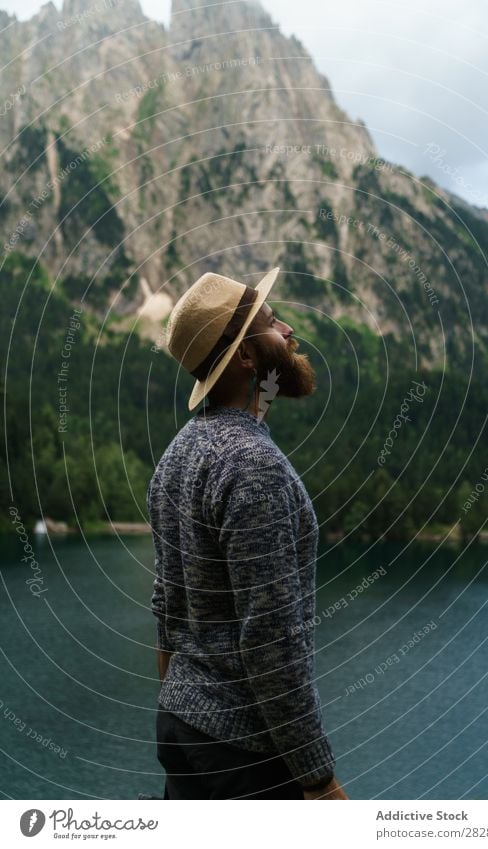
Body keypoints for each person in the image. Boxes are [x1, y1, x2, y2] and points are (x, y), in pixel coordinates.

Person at [147, 267, 348, 800]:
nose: (289, 331)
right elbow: (270, 642)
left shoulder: (176, 456)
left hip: (184, 728)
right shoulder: (254, 466)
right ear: (246, 357)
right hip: (246, 756)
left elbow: (166, 606)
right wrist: (320, 782)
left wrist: (179, 698)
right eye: (273, 322)